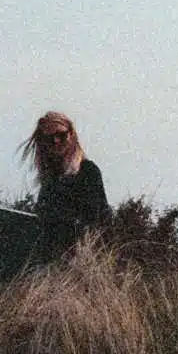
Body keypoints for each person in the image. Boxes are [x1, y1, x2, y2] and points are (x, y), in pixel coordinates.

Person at [20, 111, 112, 262]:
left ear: (71, 135)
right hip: (51, 255)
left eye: (61, 135)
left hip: (79, 257)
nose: (56, 141)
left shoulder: (87, 171)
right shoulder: (50, 177)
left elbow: (99, 220)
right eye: (50, 138)